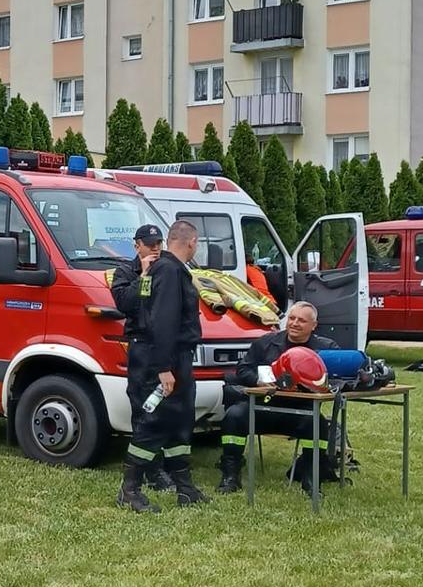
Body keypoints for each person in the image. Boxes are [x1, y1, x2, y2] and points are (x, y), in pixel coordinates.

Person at [118, 220, 208, 513]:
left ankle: (185, 488)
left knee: (179, 422)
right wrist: (163, 368)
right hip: (162, 359)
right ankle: (129, 490)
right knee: (153, 422)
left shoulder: (172, 269)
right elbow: (163, 321)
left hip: (177, 357)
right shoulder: (168, 270)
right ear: (192, 242)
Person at [214, 302, 338, 494]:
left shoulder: (327, 348)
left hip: (300, 412)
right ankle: (230, 476)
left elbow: (337, 379)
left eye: (302, 320)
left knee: (318, 424)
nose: (295, 323)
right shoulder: (266, 342)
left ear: (314, 326)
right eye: (292, 318)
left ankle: (311, 480)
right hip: (262, 408)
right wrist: (257, 381)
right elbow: (242, 369)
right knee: (234, 415)